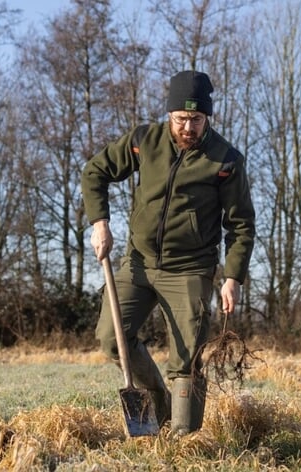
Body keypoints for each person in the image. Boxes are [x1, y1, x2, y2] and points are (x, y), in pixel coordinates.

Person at [81, 70, 256, 435]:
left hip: (190, 268)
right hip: (139, 262)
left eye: (196, 119)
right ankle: (156, 400)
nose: (187, 127)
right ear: (169, 115)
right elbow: (95, 171)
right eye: (180, 119)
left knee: (187, 356)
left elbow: (240, 225)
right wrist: (100, 223)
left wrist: (232, 277)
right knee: (112, 339)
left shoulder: (226, 160)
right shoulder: (145, 140)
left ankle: (183, 436)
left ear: (208, 117)